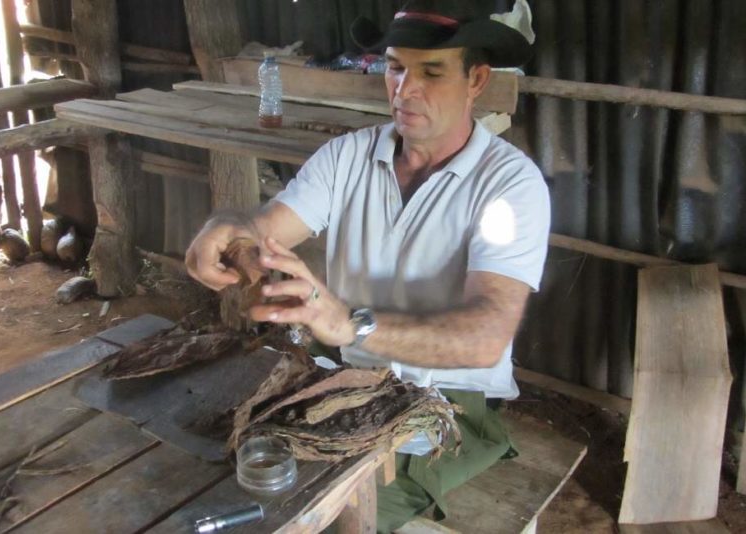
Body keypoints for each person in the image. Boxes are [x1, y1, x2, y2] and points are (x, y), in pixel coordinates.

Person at [185, 0, 549, 530]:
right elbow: (262, 234)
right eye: (396, 67)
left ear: (477, 79)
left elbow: (485, 336)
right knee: (227, 467)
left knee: (325, 514)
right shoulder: (348, 157)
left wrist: (350, 323)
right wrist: (226, 234)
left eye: (431, 71)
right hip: (345, 377)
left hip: (444, 401)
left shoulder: (508, 187)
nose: (405, 90)